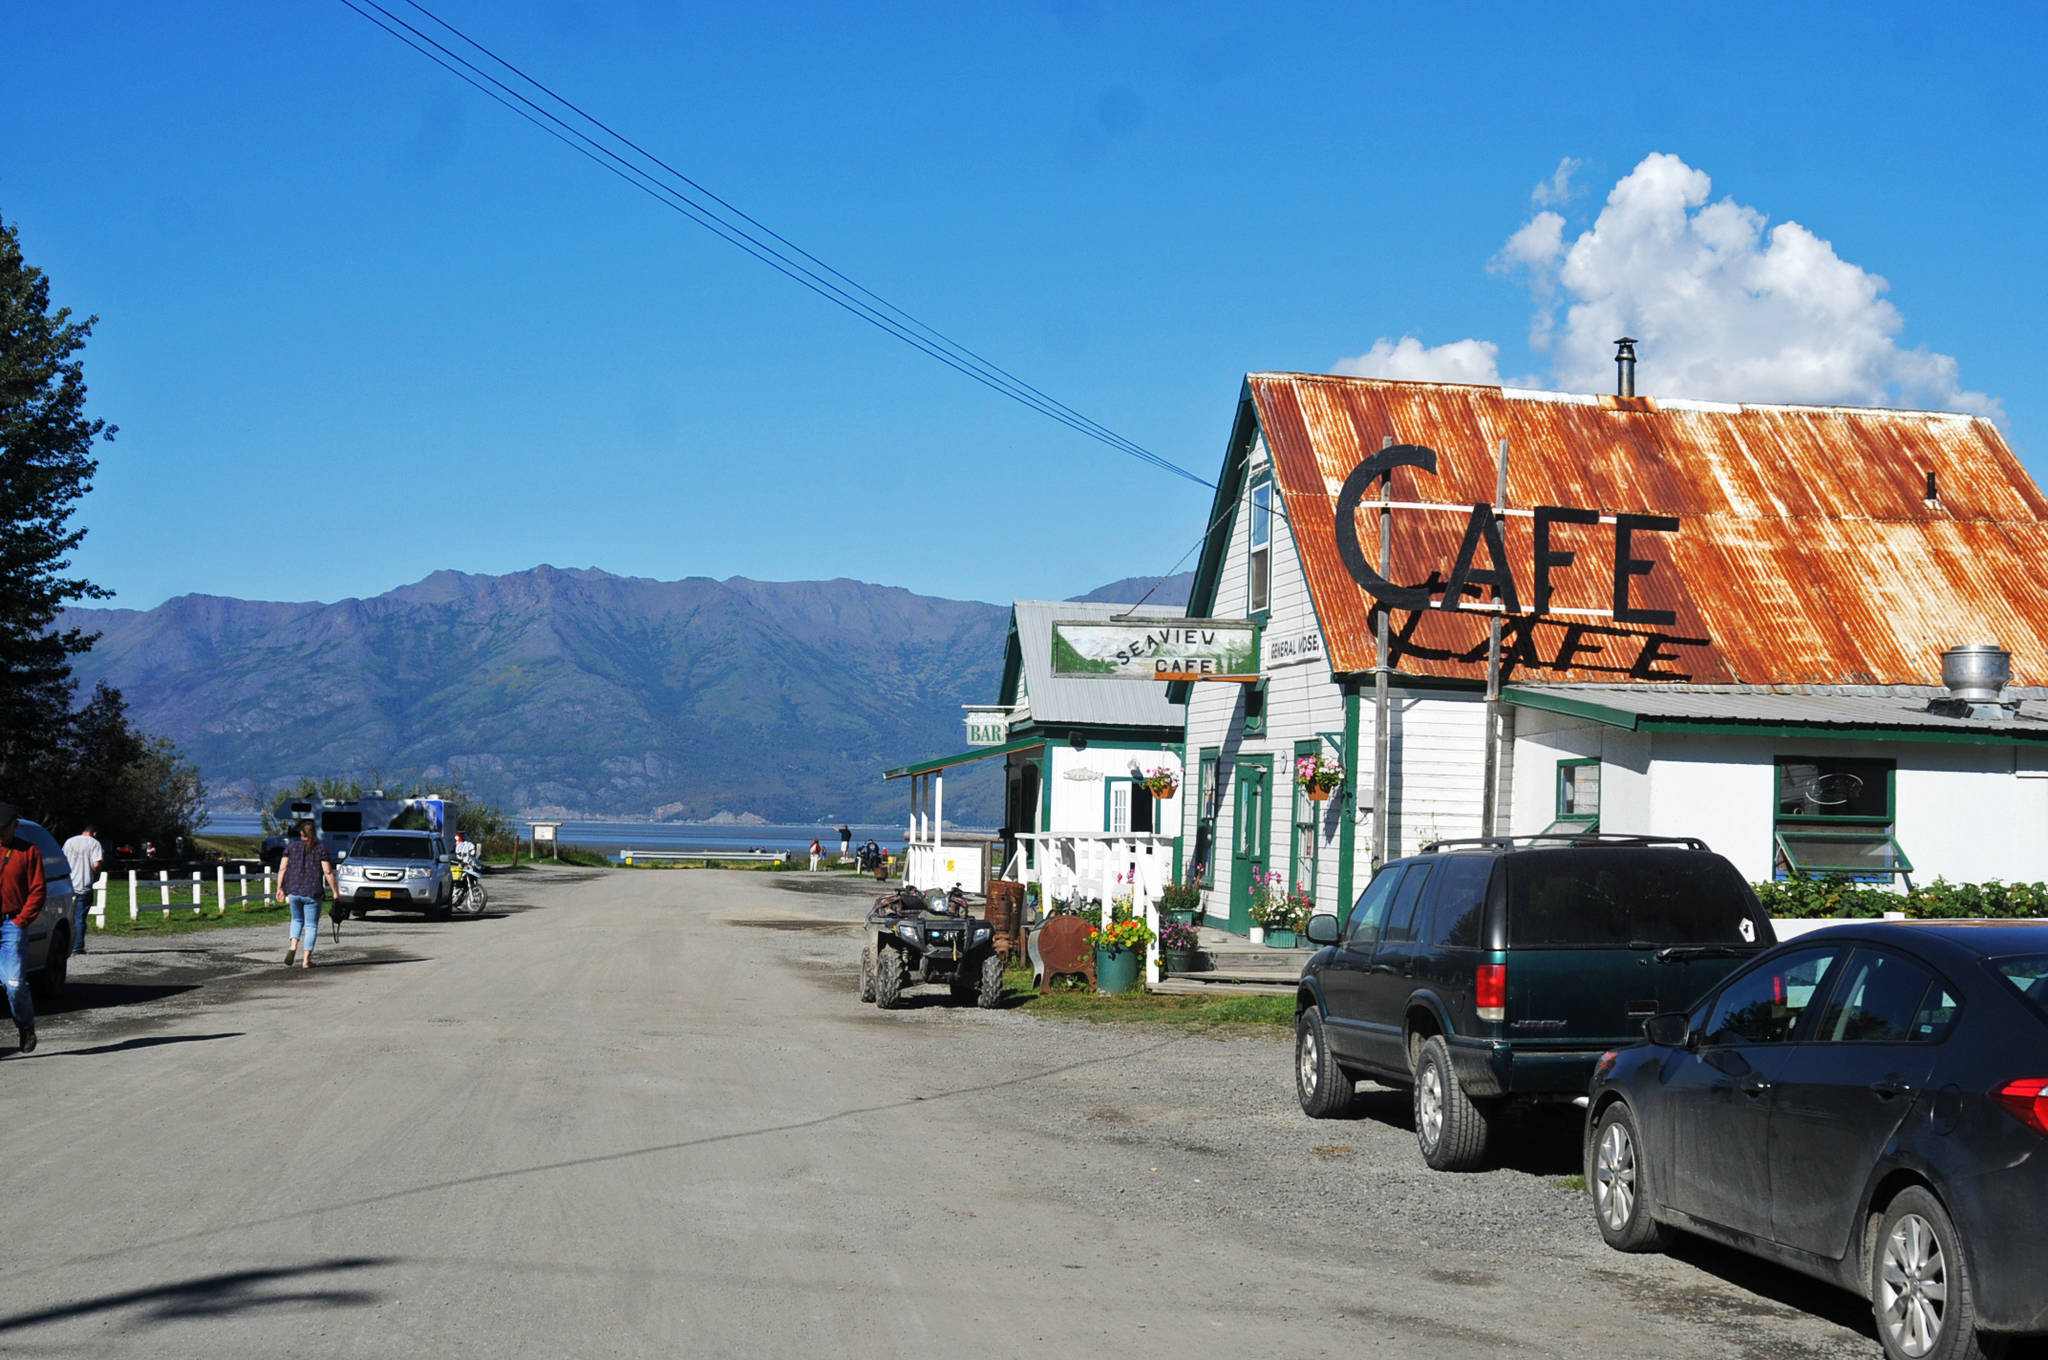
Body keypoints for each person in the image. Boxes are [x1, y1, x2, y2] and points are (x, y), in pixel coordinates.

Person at [0, 803, 44, 1054]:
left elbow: (38, 890)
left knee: (15, 985)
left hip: (11, 925)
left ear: (14, 826)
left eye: (3, 829)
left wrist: (21, 920)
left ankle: (26, 1026)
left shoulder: (28, 852)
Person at [275, 820, 337, 969]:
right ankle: (306, 961)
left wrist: (279, 888)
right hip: (313, 892)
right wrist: (335, 892)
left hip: (294, 891)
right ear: (314, 833)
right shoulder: (320, 849)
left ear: (301, 834)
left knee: (296, 920)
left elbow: (282, 869)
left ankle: (293, 946)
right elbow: (328, 872)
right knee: (311, 926)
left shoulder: (291, 847)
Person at [62, 822, 103, 955]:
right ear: (94, 833)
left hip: (68, 885)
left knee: (67, 917)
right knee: (80, 918)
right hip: (84, 885)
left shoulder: (69, 842)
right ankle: (77, 946)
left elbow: (63, 861)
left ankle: (65, 944)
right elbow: (96, 864)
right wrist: (96, 875)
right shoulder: (94, 843)